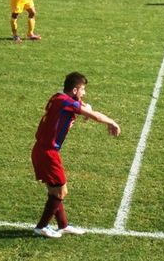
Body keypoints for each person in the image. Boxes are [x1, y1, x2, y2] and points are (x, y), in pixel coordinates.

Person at [31, 72, 121, 238]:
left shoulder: (59, 97)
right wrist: (111, 122)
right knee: (60, 191)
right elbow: (95, 116)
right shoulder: (66, 102)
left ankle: (63, 225)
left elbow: (81, 105)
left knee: (55, 190)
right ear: (74, 90)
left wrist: (85, 108)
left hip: (43, 150)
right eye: (82, 89)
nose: (84, 93)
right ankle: (41, 227)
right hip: (47, 152)